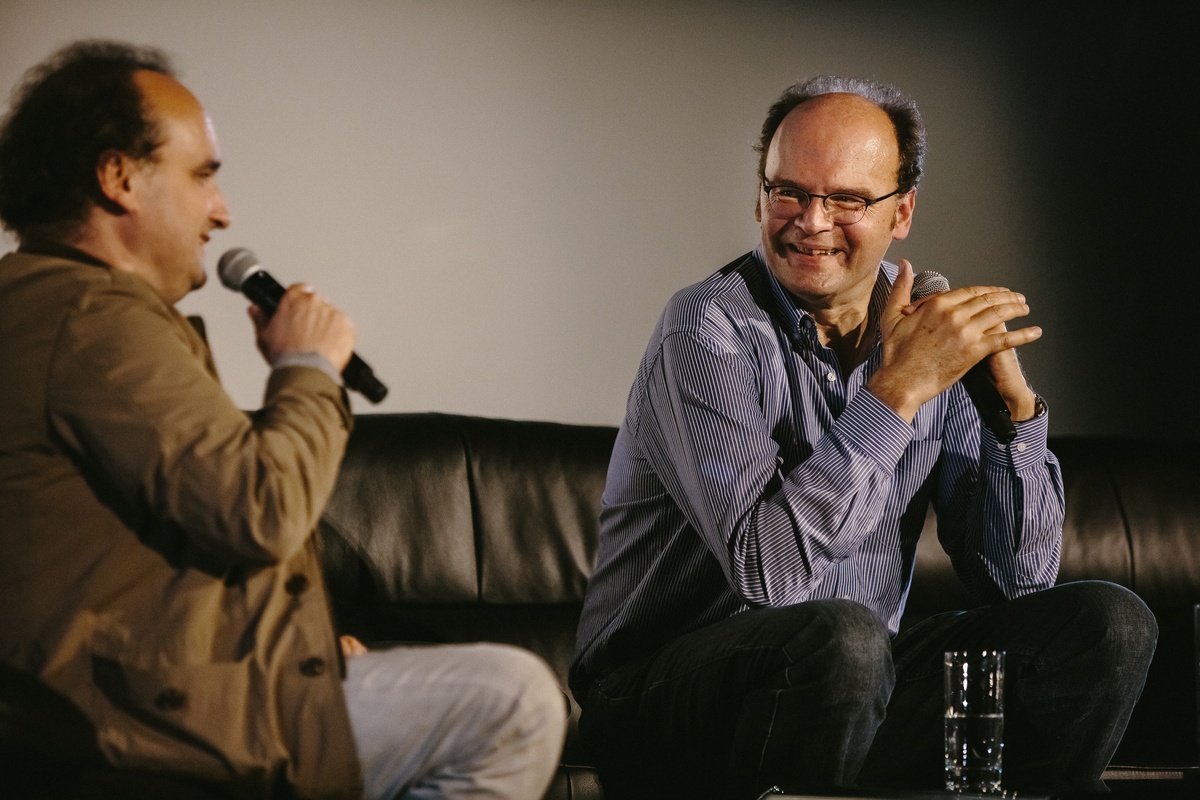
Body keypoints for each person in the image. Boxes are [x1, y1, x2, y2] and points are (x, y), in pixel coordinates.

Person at [0, 40, 565, 799]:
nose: (222, 211)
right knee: (512, 701)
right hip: (142, 726)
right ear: (119, 177)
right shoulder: (93, 316)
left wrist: (294, 649)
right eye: (203, 175)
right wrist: (309, 370)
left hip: (143, 698)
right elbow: (256, 508)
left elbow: (145, 557)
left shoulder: (45, 308)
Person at [570, 75, 1157, 799]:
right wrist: (897, 392)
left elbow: (1016, 580)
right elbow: (770, 577)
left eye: (846, 200)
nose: (811, 222)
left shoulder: (929, 325)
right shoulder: (707, 328)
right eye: (788, 192)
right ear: (759, 198)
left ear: (902, 211)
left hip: (851, 685)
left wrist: (1014, 413)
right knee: (842, 640)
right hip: (655, 694)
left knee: (1107, 625)